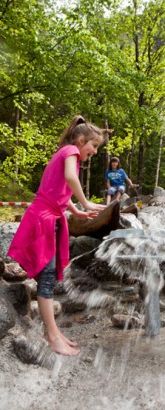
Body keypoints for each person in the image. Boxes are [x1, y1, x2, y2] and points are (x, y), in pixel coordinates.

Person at [8, 115, 107, 356]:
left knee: (49, 276)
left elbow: (58, 188)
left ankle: (54, 331)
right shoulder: (71, 150)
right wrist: (85, 202)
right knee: (47, 276)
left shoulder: (64, 152)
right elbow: (71, 180)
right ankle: (51, 335)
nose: (94, 152)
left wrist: (75, 210)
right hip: (43, 220)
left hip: (45, 216)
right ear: (81, 140)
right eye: (93, 146)